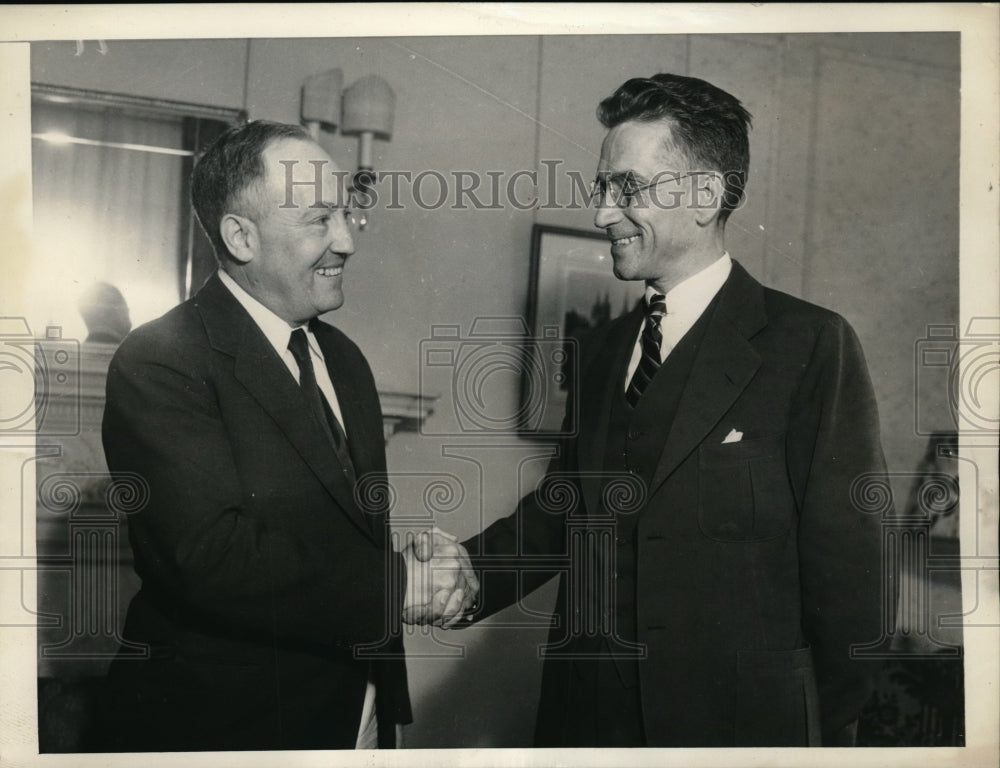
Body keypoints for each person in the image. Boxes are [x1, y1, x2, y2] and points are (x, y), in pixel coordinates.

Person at [462, 74, 887, 747]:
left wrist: (807, 730)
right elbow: (564, 511)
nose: (603, 214)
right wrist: (453, 579)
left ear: (705, 196)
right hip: (585, 726)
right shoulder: (601, 350)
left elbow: (853, 578)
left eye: (625, 189)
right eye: (603, 190)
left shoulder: (809, 344)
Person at [100, 120, 476, 751]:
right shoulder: (161, 360)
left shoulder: (345, 360)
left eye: (346, 215)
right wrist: (399, 587)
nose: (346, 241)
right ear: (240, 236)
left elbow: (332, 537)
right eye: (318, 220)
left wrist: (403, 571)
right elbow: (209, 558)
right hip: (229, 733)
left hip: (358, 717)